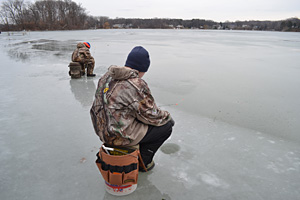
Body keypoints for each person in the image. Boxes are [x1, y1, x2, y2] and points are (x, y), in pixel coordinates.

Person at [90, 46, 175, 172]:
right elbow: (151, 115)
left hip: (102, 131)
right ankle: (144, 162)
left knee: (141, 121)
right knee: (166, 126)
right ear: (143, 68)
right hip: (119, 136)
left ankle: (135, 150)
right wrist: (168, 117)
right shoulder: (135, 83)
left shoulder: (106, 77)